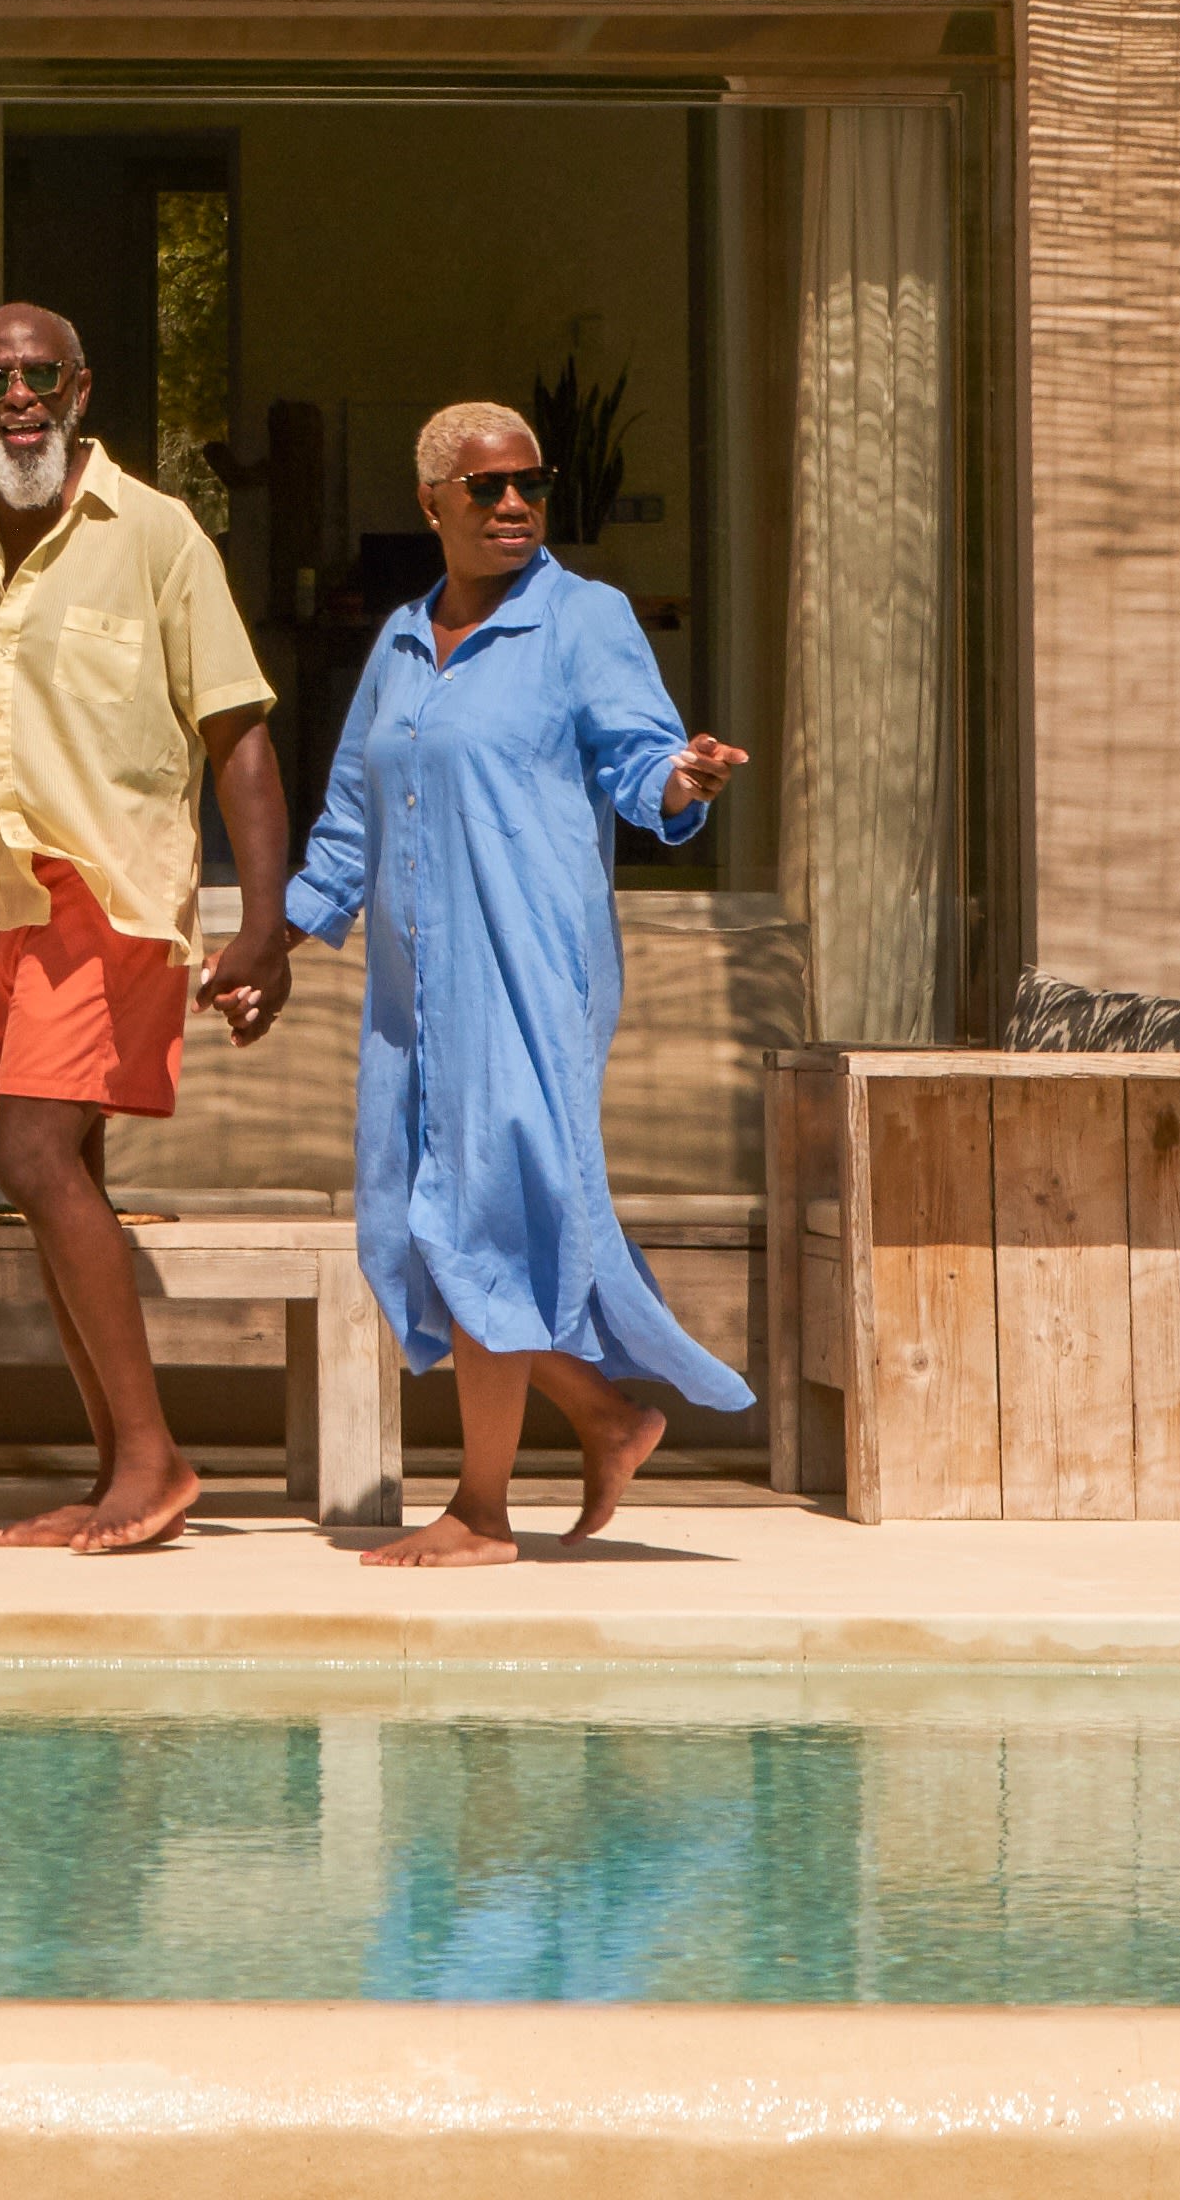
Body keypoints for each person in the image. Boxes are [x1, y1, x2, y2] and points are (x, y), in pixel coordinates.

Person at [0, 298, 297, 1553]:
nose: (20, 397)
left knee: (29, 1158)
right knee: (61, 1176)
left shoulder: (156, 534)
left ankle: (152, 1458)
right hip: (1, 901)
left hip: (119, 896)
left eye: (42, 375)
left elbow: (237, 732)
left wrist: (267, 921)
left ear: (82, 388)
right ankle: (119, 1474)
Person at [287, 397, 751, 1565]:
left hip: (529, 975)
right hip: (414, 991)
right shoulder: (399, 640)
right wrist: (271, 944)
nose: (512, 504)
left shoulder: (582, 620)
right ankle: (607, 1413)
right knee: (413, 1215)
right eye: (486, 486)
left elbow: (642, 756)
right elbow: (350, 816)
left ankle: (482, 1509)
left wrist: (682, 784)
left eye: (530, 484)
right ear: (431, 501)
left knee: (482, 1213)